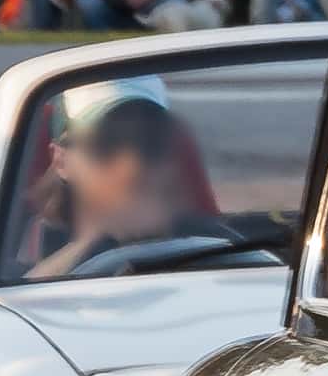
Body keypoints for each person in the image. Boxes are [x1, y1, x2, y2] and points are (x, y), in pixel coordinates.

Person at [14, 80, 223, 282]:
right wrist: (95, 242)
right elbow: (13, 298)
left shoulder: (218, 243)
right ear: (61, 161)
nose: (133, 166)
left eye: (153, 143)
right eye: (108, 142)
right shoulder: (26, 247)